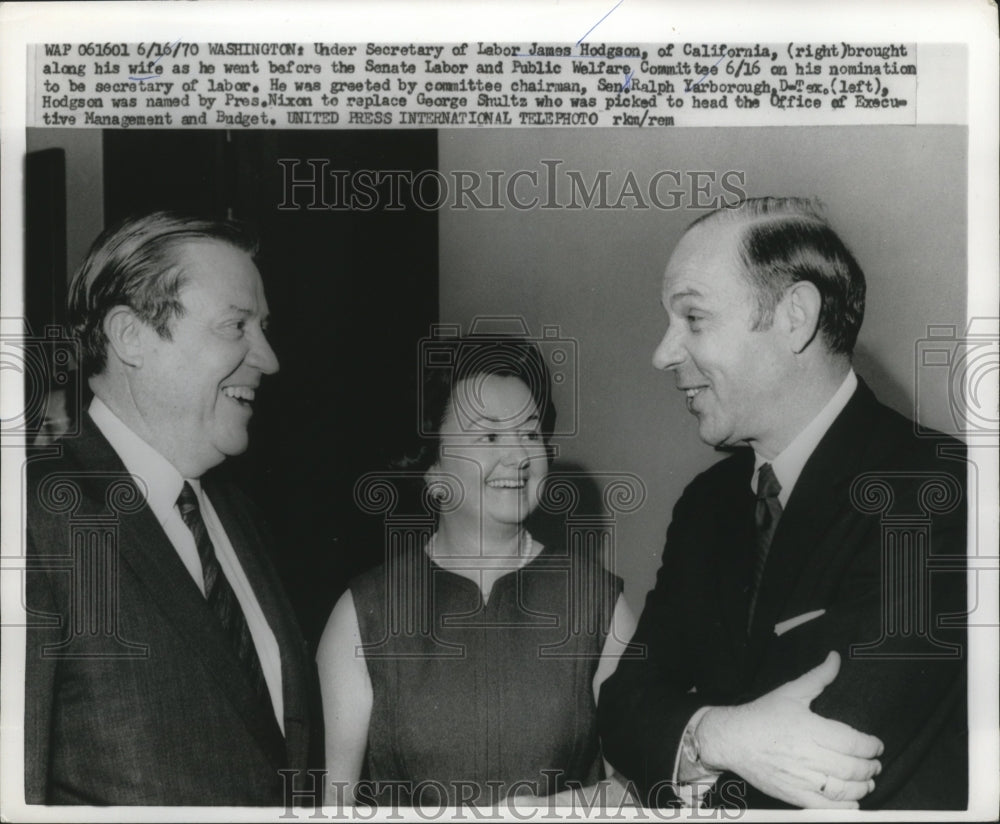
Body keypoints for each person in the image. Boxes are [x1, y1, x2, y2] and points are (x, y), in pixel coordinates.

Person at [598, 197, 967, 810]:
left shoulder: (940, 488)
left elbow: (837, 756)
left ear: (795, 317)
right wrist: (723, 736)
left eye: (693, 319)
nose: (662, 354)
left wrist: (691, 734)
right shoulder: (706, 505)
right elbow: (621, 706)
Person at [24, 212, 321, 805]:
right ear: (131, 337)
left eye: (262, 327)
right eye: (236, 326)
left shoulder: (240, 519)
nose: (268, 357)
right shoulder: (33, 519)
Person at [317, 334, 636, 808]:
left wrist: (524, 814)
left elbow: (635, 790)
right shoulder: (363, 615)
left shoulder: (599, 604)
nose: (519, 456)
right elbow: (334, 808)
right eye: (488, 436)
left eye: (530, 434)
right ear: (431, 469)